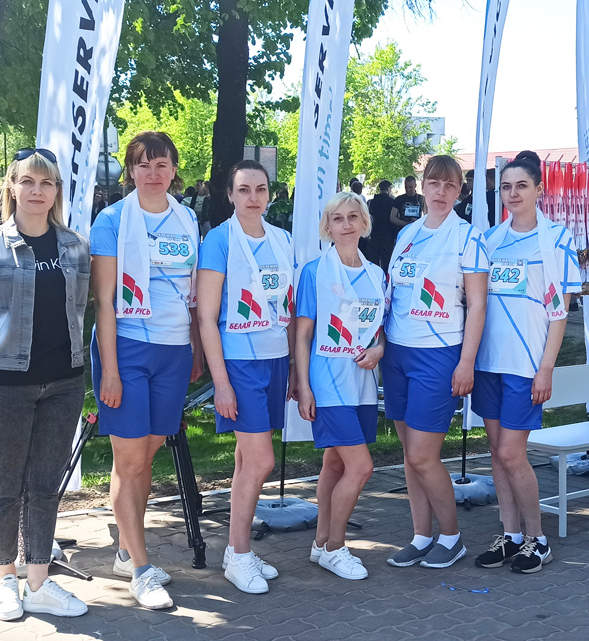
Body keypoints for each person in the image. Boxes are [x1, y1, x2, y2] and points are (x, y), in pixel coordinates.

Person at [0, 148, 90, 620]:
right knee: (6, 485)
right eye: (28, 181)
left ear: (56, 191)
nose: (37, 191)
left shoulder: (75, 246)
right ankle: (4, 580)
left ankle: (38, 582)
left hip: (65, 384)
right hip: (7, 386)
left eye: (46, 183)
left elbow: (79, 309)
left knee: (46, 486)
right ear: (11, 186)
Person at [89, 131, 204, 610]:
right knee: (130, 460)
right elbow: (104, 302)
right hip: (128, 347)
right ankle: (140, 568)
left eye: (162, 164)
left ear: (174, 170)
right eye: (143, 164)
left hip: (174, 351)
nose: (153, 173)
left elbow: (193, 292)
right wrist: (110, 371)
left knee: (145, 455)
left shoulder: (187, 217)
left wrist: (195, 346)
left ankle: (125, 550)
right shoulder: (112, 220)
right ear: (130, 171)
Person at [472, 150, 582, 573]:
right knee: (496, 453)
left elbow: (559, 311)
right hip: (489, 362)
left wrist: (546, 367)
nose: (513, 193)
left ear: (539, 189)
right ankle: (511, 535)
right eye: (506, 186)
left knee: (512, 453)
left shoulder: (556, 240)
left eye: (522, 185)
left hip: (526, 365)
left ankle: (538, 539)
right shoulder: (490, 239)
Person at [381, 155, 488, 569]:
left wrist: (466, 362)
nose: (441, 192)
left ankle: (452, 537)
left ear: (460, 191)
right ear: (422, 186)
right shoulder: (406, 234)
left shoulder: (468, 238)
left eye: (450, 185)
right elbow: (393, 295)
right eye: (434, 183)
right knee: (410, 456)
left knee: (424, 455)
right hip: (397, 353)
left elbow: (477, 305)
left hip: (439, 355)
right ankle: (421, 535)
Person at [196, 159, 297, 595]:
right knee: (261, 461)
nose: (253, 197)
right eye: (243, 190)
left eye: (260, 189)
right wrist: (220, 382)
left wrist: (293, 367)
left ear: (270, 194)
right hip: (239, 361)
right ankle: (238, 554)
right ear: (230, 195)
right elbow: (207, 317)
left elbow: (288, 307)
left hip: (274, 359)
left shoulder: (282, 239)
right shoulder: (219, 240)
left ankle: (238, 550)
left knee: (245, 460)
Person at [295, 192, 385, 581]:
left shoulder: (377, 274)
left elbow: (379, 331)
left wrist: (379, 349)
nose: (346, 224)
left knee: (335, 463)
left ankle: (320, 544)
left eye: (353, 216)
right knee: (361, 467)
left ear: (364, 223)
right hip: (327, 383)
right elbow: (302, 336)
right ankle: (336, 547)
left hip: (361, 385)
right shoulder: (314, 272)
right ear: (327, 227)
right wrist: (303, 386)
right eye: (337, 218)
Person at [367, 180, 396, 270]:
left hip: (375, 234)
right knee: (387, 261)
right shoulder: (392, 202)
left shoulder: (372, 202)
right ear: (388, 189)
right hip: (387, 234)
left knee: (374, 259)